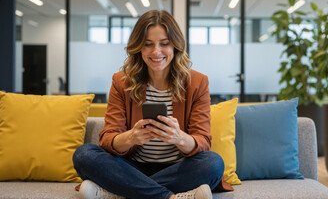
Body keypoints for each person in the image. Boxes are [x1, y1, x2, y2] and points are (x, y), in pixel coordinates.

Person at [73, 10, 226, 199]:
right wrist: (131, 137)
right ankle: (169, 197)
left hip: (178, 168)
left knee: (213, 163)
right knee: (84, 154)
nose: (156, 52)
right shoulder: (122, 82)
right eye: (148, 45)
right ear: (138, 47)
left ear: (175, 46)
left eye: (164, 44)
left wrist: (179, 137)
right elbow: (107, 138)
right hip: (132, 167)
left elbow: (203, 142)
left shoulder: (197, 82)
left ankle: (120, 192)